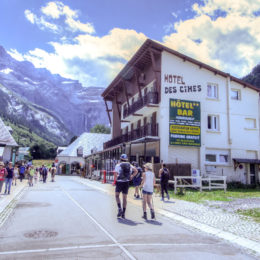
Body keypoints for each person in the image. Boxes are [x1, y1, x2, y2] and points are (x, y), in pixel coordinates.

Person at [114, 154, 137, 218]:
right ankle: (123, 213)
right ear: (126, 159)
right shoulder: (130, 165)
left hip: (119, 182)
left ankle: (119, 208)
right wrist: (132, 176)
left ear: (120, 159)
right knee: (124, 198)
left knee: (117, 196)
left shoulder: (117, 165)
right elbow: (136, 171)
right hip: (126, 182)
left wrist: (116, 180)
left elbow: (115, 174)